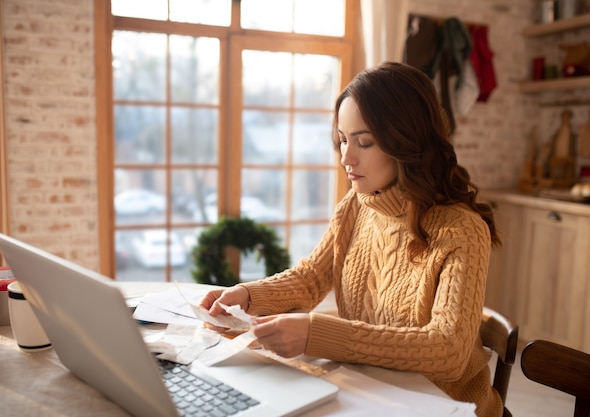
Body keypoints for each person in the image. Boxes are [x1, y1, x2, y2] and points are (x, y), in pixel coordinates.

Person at [200, 61, 502, 417]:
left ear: (407, 140)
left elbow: (448, 351)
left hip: (445, 405)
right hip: (372, 392)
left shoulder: (462, 230)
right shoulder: (356, 206)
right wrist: (249, 295)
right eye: (342, 140)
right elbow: (311, 277)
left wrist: (319, 334)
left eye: (364, 141)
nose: (346, 157)